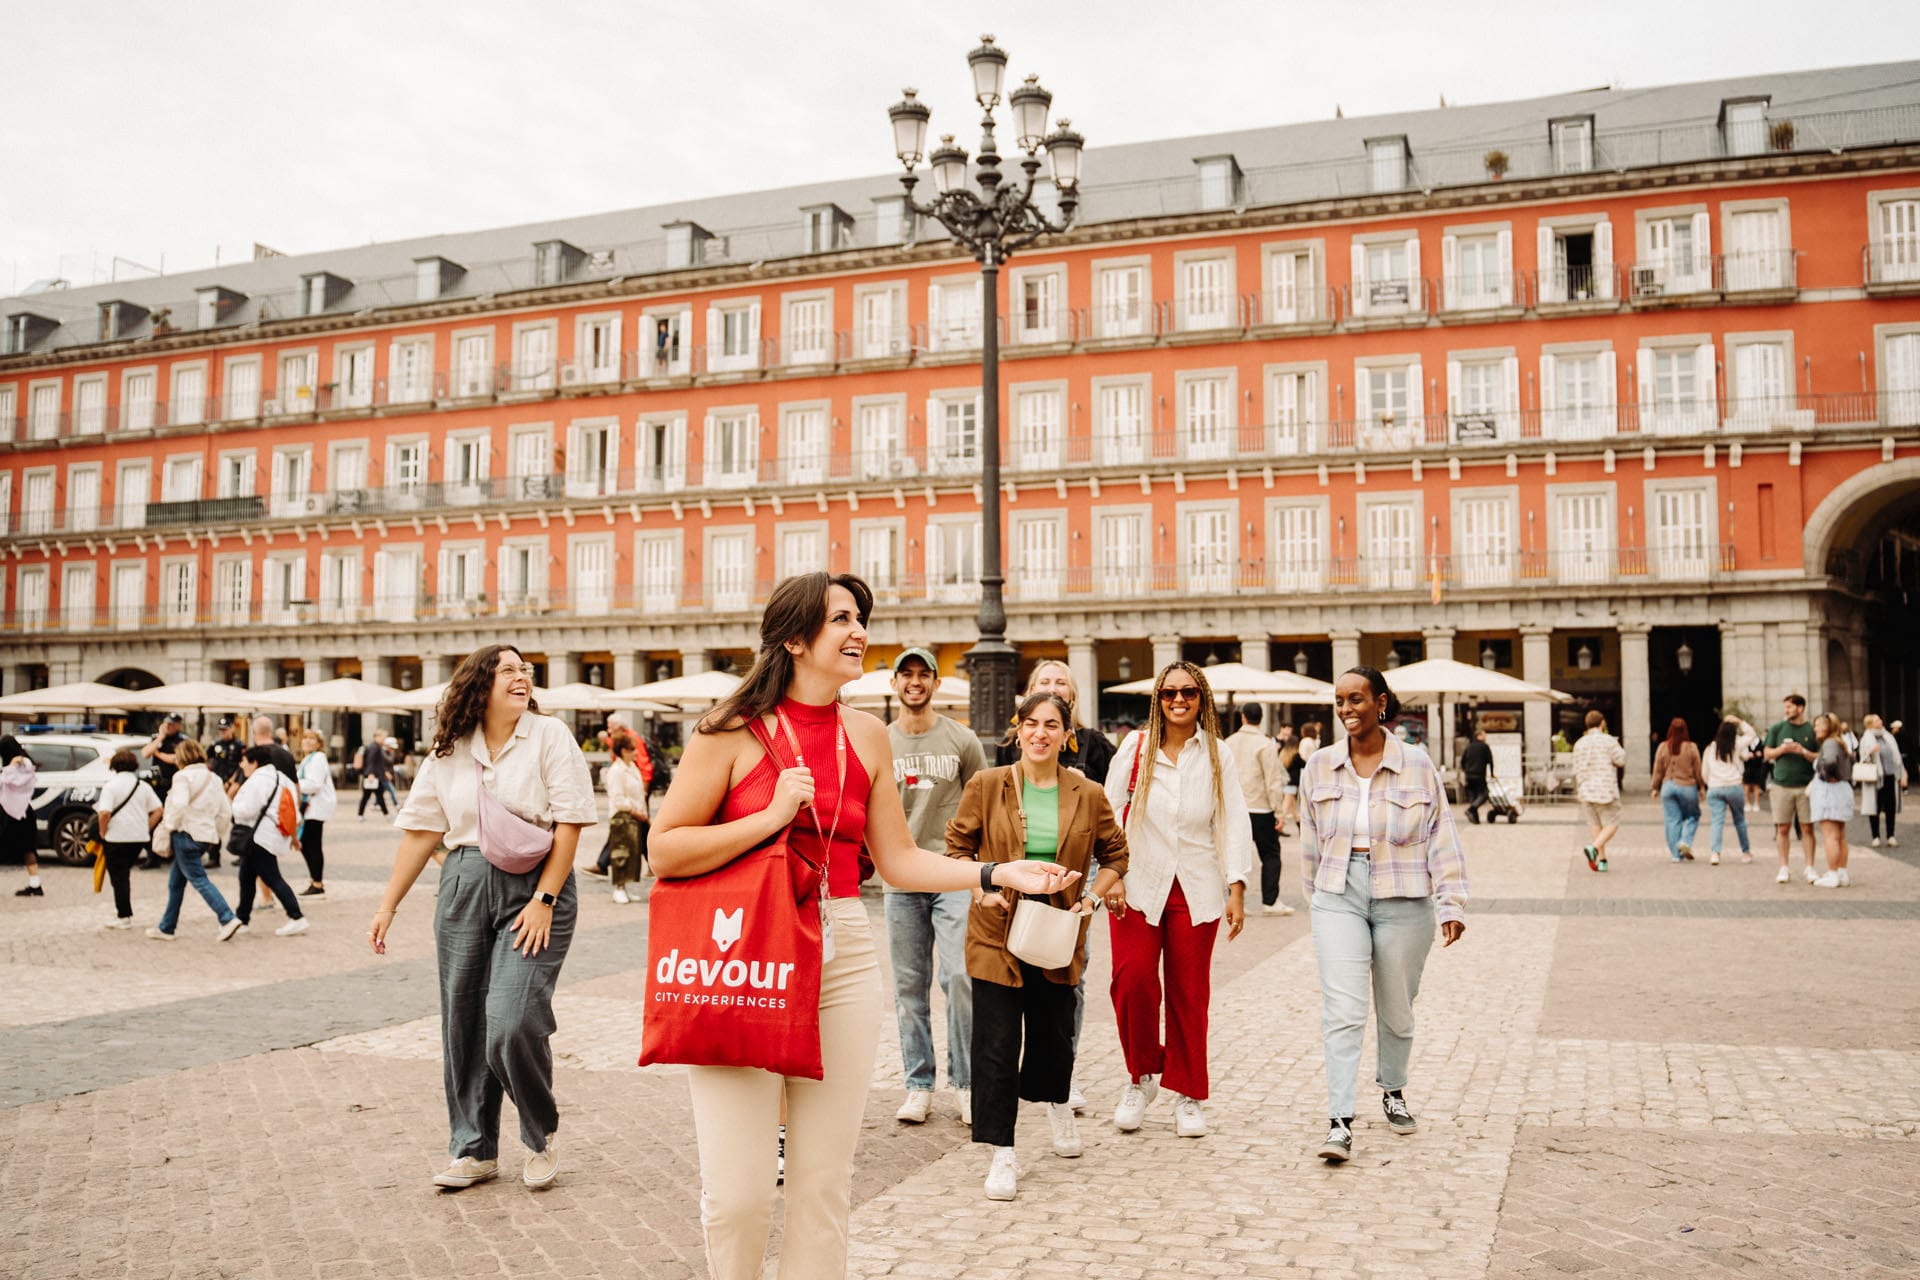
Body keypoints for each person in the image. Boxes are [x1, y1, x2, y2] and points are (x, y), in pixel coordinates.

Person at [646, 573, 1075, 1280]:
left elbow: (899, 860)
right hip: (747, 950)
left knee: (822, 1186)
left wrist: (995, 874)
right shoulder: (730, 730)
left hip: (841, 948)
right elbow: (665, 848)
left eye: (860, 618)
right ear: (793, 638)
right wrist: (770, 817)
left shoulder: (866, 734)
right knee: (740, 1196)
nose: (859, 632)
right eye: (840, 619)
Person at [368, 645, 597, 1192]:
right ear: (480, 683)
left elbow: (569, 823)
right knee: (463, 1021)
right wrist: (387, 905)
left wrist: (544, 899)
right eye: (509, 670)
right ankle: (473, 1148)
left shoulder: (549, 736)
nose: (522, 678)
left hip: (536, 886)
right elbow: (423, 830)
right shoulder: (450, 750)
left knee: (512, 1018)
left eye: (526, 671)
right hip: (464, 882)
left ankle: (539, 1134)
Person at [946, 690, 1128, 1199]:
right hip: (997, 931)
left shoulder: (1087, 792)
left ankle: (1058, 1104)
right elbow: (957, 848)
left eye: (1052, 724)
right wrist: (982, 890)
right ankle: (1002, 1152)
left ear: (1067, 734)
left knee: (1052, 1037)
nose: (1040, 733)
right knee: (996, 1045)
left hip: (1056, 931)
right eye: (1031, 724)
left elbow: (1116, 853)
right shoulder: (987, 784)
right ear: (1018, 729)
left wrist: (1092, 898)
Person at [1304, 667, 1468, 1164]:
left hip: (1404, 895)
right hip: (1339, 894)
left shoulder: (1417, 765)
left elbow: (1442, 835)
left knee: (1397, 1007)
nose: (1347, 709)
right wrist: (1315, 898)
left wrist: (1451, 902)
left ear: (1380, 703)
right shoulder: (1320, 765)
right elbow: (1310, 840)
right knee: (1344, 1009)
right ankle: (1339, 1121)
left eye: (1356, 699)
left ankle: (1393, 1090)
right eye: (1339, 701)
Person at [1102, 661, 1254, 1141]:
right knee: (1132, 983)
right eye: (1168, 693)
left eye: (1188, 692)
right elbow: (1108, 812)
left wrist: (1237, 886)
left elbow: (1231, 821)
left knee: (1190, 993)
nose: (1178, 700)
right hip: (1138, 882)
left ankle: (1188, 1092)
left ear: (1201, 697)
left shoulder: (1216, 754)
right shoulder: (1136, 747)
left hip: (1196, 885)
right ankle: (1142, 1076)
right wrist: (1113, 875)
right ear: (1158, 699)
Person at [886, 647, 988, 1126]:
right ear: (895, 684)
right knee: (909, 986)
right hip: (900, 879)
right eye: (906, 674)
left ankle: (966, 1083)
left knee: (960, 978)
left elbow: (982, 809)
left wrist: (981, 876)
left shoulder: (961, 739)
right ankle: (918, 1084)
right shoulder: (880, 743)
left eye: (922, 674)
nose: (914, 682)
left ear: (935, 683)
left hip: (950, 873)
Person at [147, 740, 241, 942]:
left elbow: (179, 805)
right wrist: (215, 833)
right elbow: (225, 811)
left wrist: (170, 825)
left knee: (199, 879)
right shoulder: (214, 778)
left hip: (185, 833)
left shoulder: (182, 777)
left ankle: (227, 917)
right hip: (204, 836)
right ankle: (166, 927)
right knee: (176, 883)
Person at [995, 659, 1116, 784]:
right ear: (1031, 691)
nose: (1052, 689)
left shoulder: (1094, 743)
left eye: (1061, 683)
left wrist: (1086, 783)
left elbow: (1116, 791)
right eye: (1044, 682)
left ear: (1072, 695)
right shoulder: (1009, 744)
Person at [232, 746, 311, 936]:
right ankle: (242, 918)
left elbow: (246, 810)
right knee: (247, 876)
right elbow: (294, 810)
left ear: (255, 762)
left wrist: (234, 807)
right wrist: (292, 836)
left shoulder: (258, 780)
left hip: (259, 837)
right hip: (271, 835)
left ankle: (296, 916)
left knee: (271, 877)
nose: (241, 765)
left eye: (244, 761)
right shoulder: (283, 779)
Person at [1227, 703, 1292, 916]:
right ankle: (1270, 901)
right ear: (1260, 719)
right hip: (1260, 808)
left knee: (1235, 855)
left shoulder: (1229, 742)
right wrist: (1279, 812)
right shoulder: (1266, 744)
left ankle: (1235, 900)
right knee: (1271, 855)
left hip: (1235, 807)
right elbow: (1272, 780)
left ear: (1243, 718)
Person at [94, 749, 163, 928]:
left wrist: (102, 833)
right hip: (138, 838)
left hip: (116, 838)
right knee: (124, 875)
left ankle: (124, 916)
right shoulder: (143, 786)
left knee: (119, 877)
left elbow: (104, 813)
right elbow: (158, 810)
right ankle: (124, 914)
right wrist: (146, 828)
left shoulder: (111, 786)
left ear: (114, 766)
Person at [1764, 694, 1820, 885]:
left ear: (1800, 708)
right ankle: (1783, 867)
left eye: (1789, 707)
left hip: (1805, 786)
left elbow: (1819, 756)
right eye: (1785, 707)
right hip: (1781, 786)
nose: (1786, 710)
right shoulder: (1777, 728)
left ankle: (1810, 867)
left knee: (1807, 828)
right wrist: (1782, 750)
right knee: (1782, 828)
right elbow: (1767, 753)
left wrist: (1803, 752)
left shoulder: (1811, 729)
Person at [1570, 710, 1626, 872]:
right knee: (1612, 824)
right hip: (1605, 790)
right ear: (1602, 723)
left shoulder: (1579, 743)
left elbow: (1576, 767)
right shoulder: (1609, 741)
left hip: (1586, 790)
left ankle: (1602, 861)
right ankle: (1593, 848)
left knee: (1595, 825)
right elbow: (1621, 760)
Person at [1808, 715, 1855, 888]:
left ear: (1827, 727)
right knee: (1841, 836)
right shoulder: (1840, 742)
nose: (1815, 729)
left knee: (1830, 836)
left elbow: (1828, 762)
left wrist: (1826, 775)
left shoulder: (1829, 743)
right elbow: (1850, 760)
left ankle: (1832, 873)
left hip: (1829, 792)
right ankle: (1842, 872)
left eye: (1818, 725)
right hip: (1841, 790)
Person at [603, 732, 650, 904]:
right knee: (621, 852)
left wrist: (642, 811)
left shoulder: (632, 768)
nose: (636, 752)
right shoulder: (616, 770)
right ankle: (619, 887)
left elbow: (639, 793)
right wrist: (634, 809)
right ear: (623, 751)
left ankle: (625, 887)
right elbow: (617, 798)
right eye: (632, 749)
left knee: (633, 852)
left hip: (634, 816)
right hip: (622, 816)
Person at [1650, 717, 1706, 862]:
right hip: (1687, 786)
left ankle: (1676, 855)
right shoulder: (1691, 747)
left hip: (1668, 786)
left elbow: (1658, 769)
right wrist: (1701, 786)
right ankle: (1685, 841)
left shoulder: (1662, 746)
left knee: (1672, 820)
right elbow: (1698, 770)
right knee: (1693, 816)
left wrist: (1655, 787)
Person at [1702, 718, 1755, 865]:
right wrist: (1739, 721)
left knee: (1717, 822)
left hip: (1715, 787)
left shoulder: (1710, 748)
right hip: (1733, 786)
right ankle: (1745, 852)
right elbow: (1751, 734)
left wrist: (1709, 783)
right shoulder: (1736, 744)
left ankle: (1715, 853)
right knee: (1739, 821)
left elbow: (1705, 771)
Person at [296, 729, 335, 899]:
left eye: (312, 739)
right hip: (311, 807)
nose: (307, 741)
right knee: (307, 842)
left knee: (311, 844)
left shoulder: (318, 759)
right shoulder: (308, 759)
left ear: (319, 743)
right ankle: (315, 880)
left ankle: (317, 882)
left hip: (316, 807)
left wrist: (295, 784)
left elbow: (314, 784)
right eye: (305, 738)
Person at [4, 737, 43, 897]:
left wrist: (11, 766)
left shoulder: (22, 765)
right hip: (22, 812)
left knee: (28, 849)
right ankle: (35, 884)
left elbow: (9, 781)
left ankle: (35, 885)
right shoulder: (22, 765)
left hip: (12, 813)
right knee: (28, 849)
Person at [1860, 714, 1906, 848]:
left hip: (1890, 776)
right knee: (1875, 807)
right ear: (1870, 724)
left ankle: (1891, 835)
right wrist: (1870, 752)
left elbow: (1897, 757)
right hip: (1875, 778)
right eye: (1877, 720)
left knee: (1890, 806)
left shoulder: (1888, 737)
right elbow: (1862, 759)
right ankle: (1875, 836)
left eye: (1880, 719)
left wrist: (1903, 774)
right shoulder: (1866, 738)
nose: (1880, 721)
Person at [142, 713, 185, 799]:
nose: (167, 726)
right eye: (166, 723)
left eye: (171, 724)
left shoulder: (181, 741)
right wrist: (160, 737)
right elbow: (145, 753)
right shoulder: (157, 738)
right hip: (156, 783)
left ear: (178, 726)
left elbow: (176, 759)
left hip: (172, 782)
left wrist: (158, 754)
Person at [1459, 729, 1494, 824]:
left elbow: (1462, 761)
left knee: (1473, 796)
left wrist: (1466, 771)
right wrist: (1492, 774)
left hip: (1469, 775)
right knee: (1484, 794)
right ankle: (1471, 809)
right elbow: (1490, 761)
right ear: (1479, 736)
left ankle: (1475, 818)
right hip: (1479, 775)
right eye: (1484, 735)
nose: (1485, 737)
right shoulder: (1484, 747)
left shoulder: (1469, 747)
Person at [358, 735, 394, 817]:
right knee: (370, 796)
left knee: (375, 796)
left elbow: (379, 764)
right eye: (383, 737)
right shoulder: (374, 747)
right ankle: (361, 814)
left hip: (375, 775)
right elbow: (370, 761)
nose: (384, 739)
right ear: (377, 737)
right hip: (373, 776)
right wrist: (370, 773)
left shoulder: (377, 747)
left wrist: (384, 772)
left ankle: (361, 814)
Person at [208, 715, 244, 789]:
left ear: (231, 729)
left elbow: (242, 765)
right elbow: (206, 758)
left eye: (225, 729)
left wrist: (231, 781)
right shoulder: (215, 744)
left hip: (232, 782)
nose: (222, 732)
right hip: (217, 781)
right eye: (220, 729)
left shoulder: (239, 745)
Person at [1742, 719, 1770, 814]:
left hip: (1758, 766)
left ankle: (1756, 804)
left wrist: (1760, 754)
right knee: (1746, 785)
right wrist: (1747, 755)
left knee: (1757, 785)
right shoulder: (1745, 741)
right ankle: (1747, 803)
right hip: (1747, 766)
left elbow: (1765, 752)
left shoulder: (1760, 741)